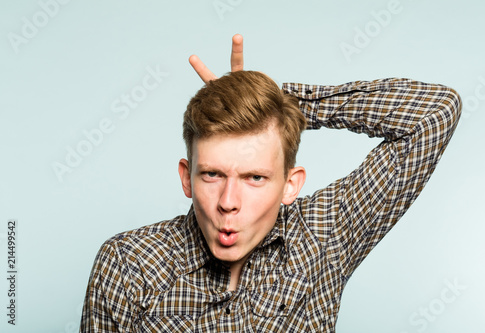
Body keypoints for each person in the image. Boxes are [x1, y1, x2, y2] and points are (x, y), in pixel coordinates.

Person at [80, 34, 461, 332]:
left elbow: (434, 112)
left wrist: (285, 107)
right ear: (186, 177)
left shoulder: (323, 237)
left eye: (255, 178)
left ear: (289, 185)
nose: (228, 202)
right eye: (212, 174)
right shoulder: (129, 265)